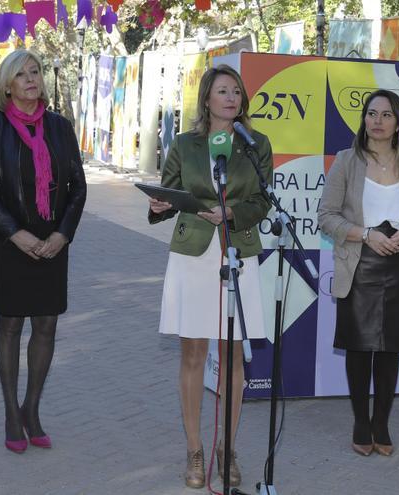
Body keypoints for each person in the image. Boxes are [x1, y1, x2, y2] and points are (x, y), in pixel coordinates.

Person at [148, 64, 272, 489]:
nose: (232, 98)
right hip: (193, 255)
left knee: (233, 356)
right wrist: (160, 206)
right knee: (193, 355)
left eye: (237, 91)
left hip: (238, 252)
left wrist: (233, 212)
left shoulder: (256, 145)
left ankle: (228, 448)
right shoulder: (184, 144)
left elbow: (262, 200)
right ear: (207, 98)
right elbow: (167, 193)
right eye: (223, 90)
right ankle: (195, 450)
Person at [0, 50, 86, 455]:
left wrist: (63, 235)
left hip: (53, 242)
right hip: (10, 241)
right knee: (10, 326)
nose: (31, 78)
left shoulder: (60, 127)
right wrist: (16, 234)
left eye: (35, 71)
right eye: (21, 74)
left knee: (46, 326)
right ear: (6, 85)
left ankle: (31, 409)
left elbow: (77, 187)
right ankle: (9, 412)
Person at [318, 89, 399, 457]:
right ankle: (360, 421)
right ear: (364, 119)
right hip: (360, 265)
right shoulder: (346, 161)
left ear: (398, 123)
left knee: (389, 350)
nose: (377, 121)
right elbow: (326, 216)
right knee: (359, 348)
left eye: (385, 115)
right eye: (371, 114)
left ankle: (381, 422)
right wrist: (365, 235)